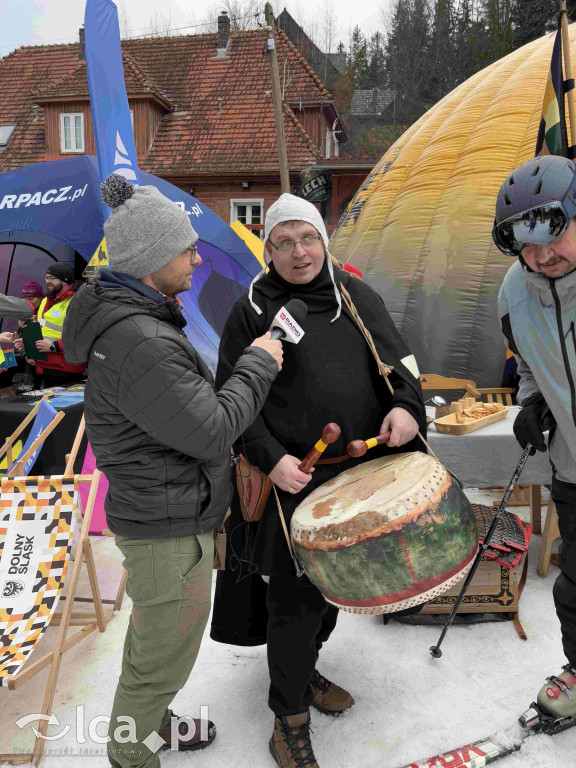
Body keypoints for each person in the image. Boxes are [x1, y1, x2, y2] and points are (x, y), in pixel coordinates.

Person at [62, 174, 282, 768]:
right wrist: (259, 363)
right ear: (153, 258)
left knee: (155, 642)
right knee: (161, 658)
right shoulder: (140, 340)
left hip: (161, 509)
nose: (195, 256)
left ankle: (153, 728)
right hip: (165, 526)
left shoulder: (137, 321)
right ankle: (134, 755)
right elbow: (212, 426)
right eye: (186, 248)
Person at [212, 194, 426, 767]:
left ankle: (302, 671)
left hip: (359, 475)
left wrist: (406, 407)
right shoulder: (251, 310)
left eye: (307, 239)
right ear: (269, 249)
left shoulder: (354, 295)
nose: (298, 253)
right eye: (283, 242)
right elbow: (233, 399)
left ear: (323, 241)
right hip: (291, 483)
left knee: (339, 589)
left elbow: (399, 363)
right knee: (295, 601)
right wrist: (268, 455)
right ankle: (289, 717)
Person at [494, 153, 576, 722]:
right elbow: (526, 364)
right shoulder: (513, 293)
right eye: (527, 245)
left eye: (556, 234)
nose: (544, 255)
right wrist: (531, 402)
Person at [14, 264, 86, 388]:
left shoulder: (78, 301)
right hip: (43, 365)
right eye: (46, 278)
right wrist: (28, 345)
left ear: (65, 280)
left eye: (52, 278)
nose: (47, 282)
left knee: (61, 407)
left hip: (65, 369)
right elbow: (41, 330)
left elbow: (83, 337)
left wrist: (53, 346)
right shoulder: (46, 300)